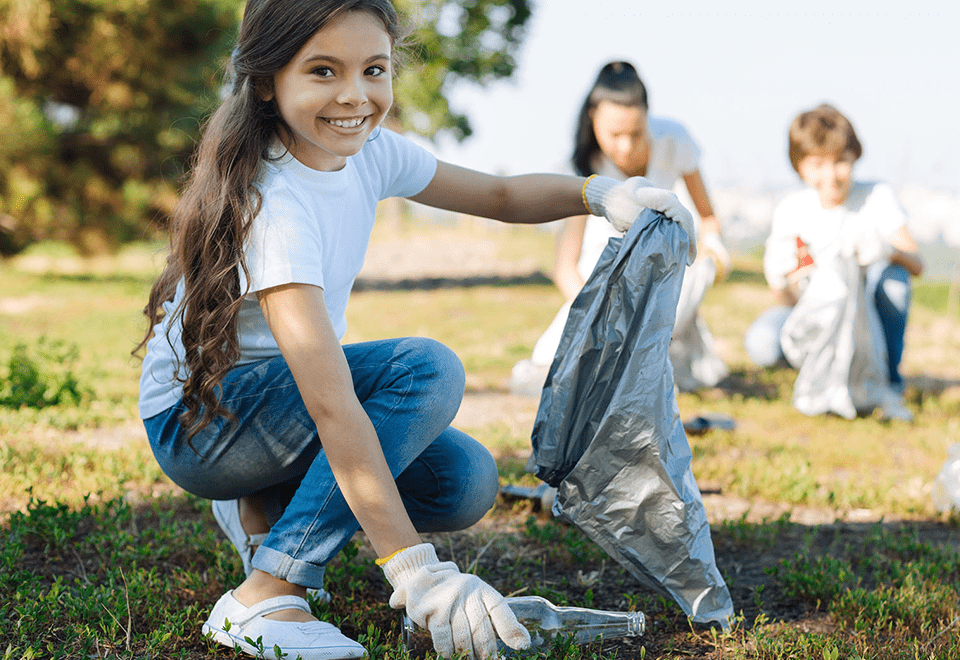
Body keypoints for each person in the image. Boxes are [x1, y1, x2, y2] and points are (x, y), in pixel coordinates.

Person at [135, 2, 695, 659]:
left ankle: (266, 504)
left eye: (373, 69)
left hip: (270, 412)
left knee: (464, 480)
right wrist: (416, 573)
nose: (354, 95)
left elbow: (499, 197)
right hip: (203, 425)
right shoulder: (276, 202)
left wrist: (599, 194)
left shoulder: (369, 152)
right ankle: (264, 591)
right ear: (266, 81)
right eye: (322, 71)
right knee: (425, 370)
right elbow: (330, 403)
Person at [512, 61, 730, 396]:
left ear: (648, 118)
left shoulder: (673, 138)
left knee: (689, 280)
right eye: (615, 135)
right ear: (592, 118)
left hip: (663, 278)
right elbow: (565, 267)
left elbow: (707, 216)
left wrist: (714, 247)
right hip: (602, 285)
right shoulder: (583, 168)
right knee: (552, 367)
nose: (626, 147)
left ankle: (646, 355)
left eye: (636, 134)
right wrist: (601, 311)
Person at [744, 103, 924, 401]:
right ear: (800, 167)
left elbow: (917, 263)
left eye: (840, 161)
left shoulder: (876, 197)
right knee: (763, 342)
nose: (831, 175)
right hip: (815, 317)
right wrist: (792, 283)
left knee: (894, 281)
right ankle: (820, 372)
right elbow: (785, 296)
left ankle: (889, 378)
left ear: (855, 157)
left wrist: (886, 250)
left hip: (868, 318)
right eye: (817, 164)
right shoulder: (792, 211)